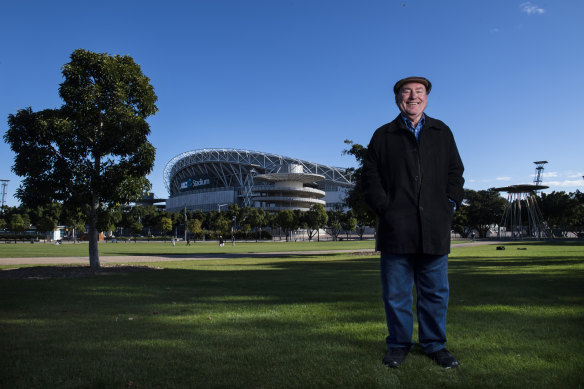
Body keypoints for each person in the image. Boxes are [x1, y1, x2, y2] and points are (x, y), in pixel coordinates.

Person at [361, 76, 465, 369]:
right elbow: (369, 177)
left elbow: (455, 172)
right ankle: (398, 345)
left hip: (434, 226)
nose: (413, 96)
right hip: (397, 228)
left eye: (419, 92)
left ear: (427, 98)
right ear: (397, 98)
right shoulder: (383, 135)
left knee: (435, 293)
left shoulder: (441, 131)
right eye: (407, 92)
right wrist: (385, 208)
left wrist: (449, 204)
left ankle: (435, 345)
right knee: (396, 294)